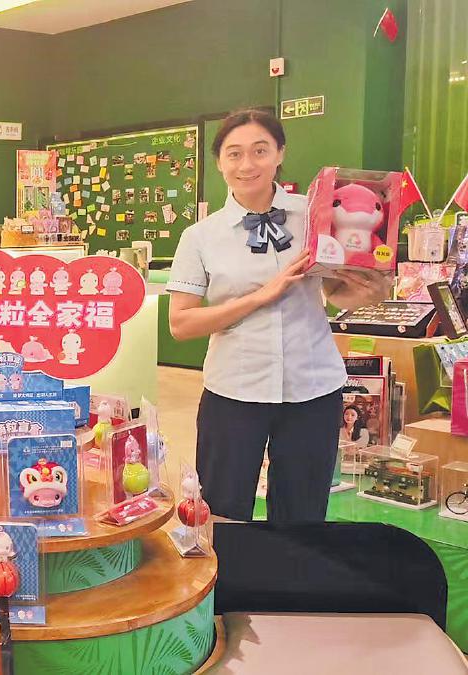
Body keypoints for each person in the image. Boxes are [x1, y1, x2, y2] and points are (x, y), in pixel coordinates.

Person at [167, 109, 391, 522]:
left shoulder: (317, 214)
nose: (247, 164)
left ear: (280, 154)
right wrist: (259, 297)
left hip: (312, 386)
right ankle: (230, 568)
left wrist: (369, 291)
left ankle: (292, 567)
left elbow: (334, 293)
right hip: (234, 389)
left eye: (260, 150)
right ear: (219, 162)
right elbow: (181, 323)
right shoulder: (200, 236)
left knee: (302, 515)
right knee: (222, 511)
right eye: (234, 154)